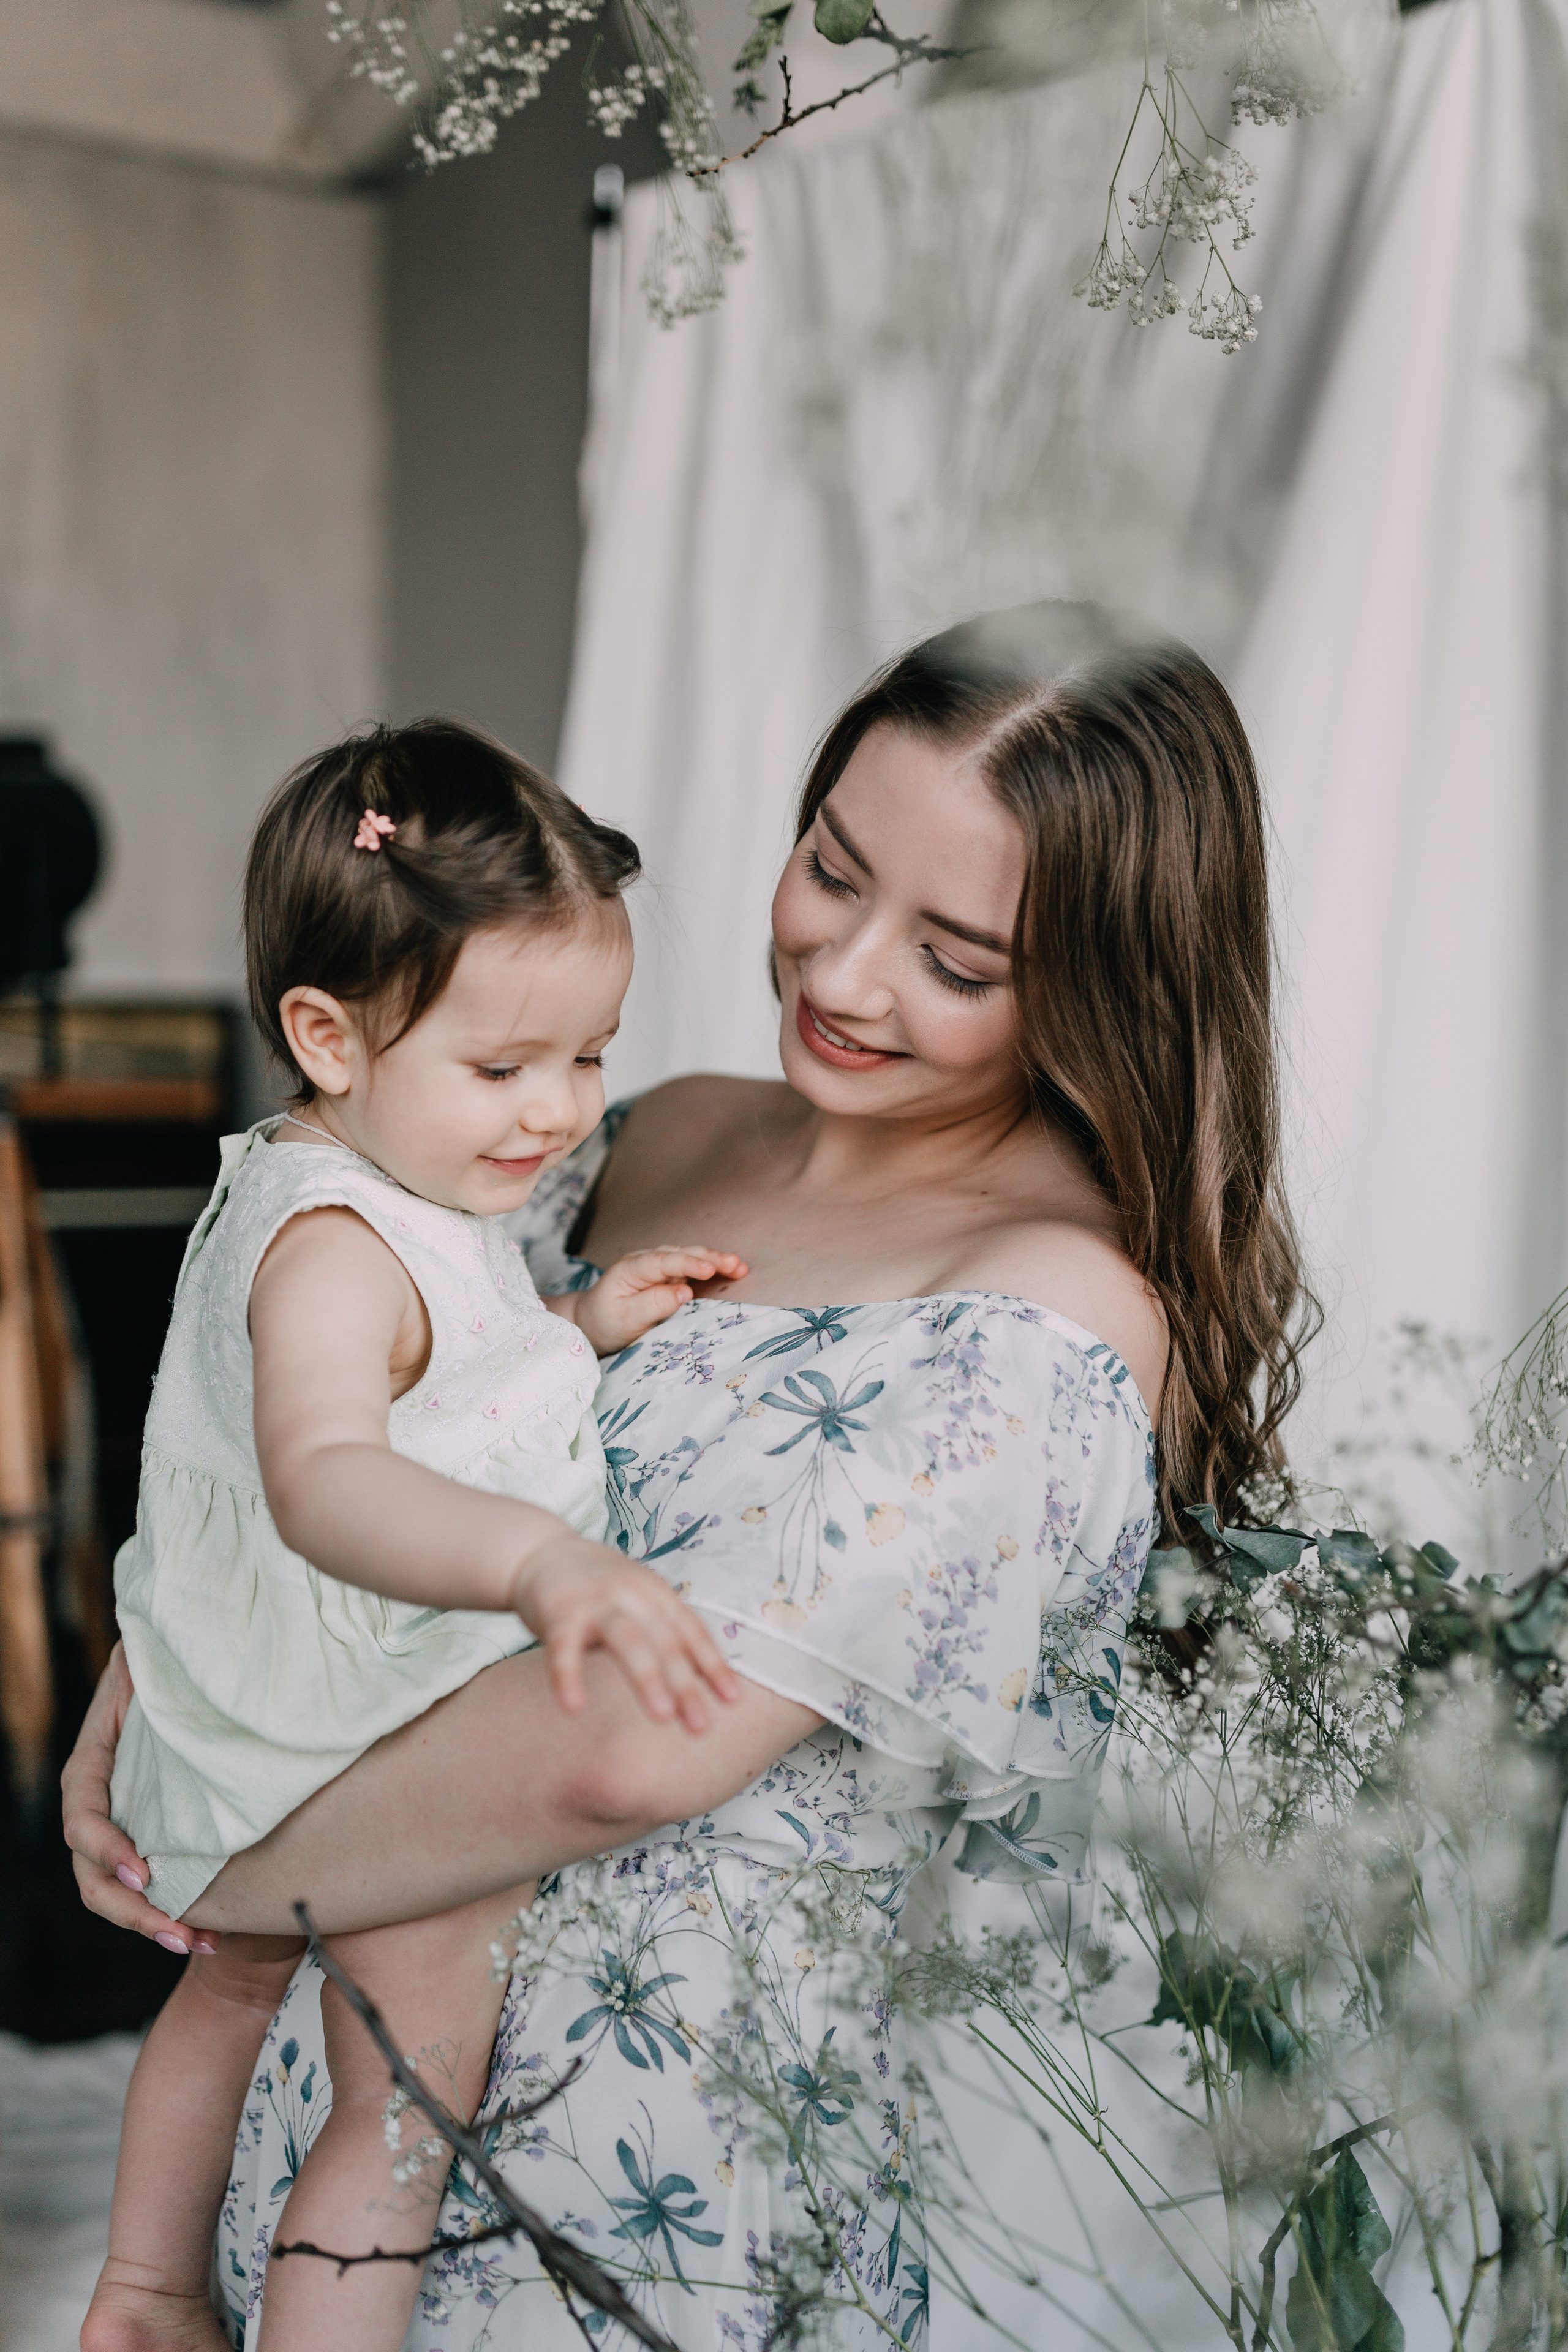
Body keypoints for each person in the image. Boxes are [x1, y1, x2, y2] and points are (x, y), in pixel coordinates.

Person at [64, 604, 1313, 2351]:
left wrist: (214, 1836)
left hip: (641, 2169)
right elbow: (366, 1403)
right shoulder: (651, 1125)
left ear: (1103, 982)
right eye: (832, 868)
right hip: (356, 2073)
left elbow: (629, 1752)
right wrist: (169, 1678)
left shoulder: (1048, 1315)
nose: (845, 975)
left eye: (958, 958)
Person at [80, 718, 747, 2352]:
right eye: (504, 1069)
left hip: (239, 1710)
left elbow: (442, 1386)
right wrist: (540, 1561)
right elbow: (327, 1473)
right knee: (411, 2070)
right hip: (336, 1724)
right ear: (328, 1035)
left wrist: (577, 1325)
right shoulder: (335, 1250)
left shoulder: (371, 1177)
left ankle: (150, 2289)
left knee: (229, 1984)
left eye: (588, 1056)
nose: (556, 1114)